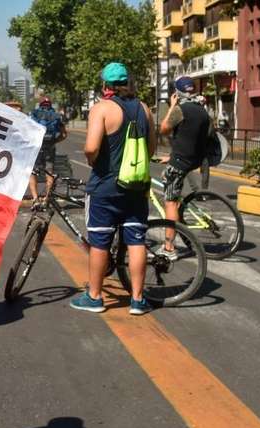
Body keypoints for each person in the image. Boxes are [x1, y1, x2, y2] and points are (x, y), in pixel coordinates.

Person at [70, 62, 156, 315]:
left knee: (100, 242)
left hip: (105, 187)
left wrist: (93, 161)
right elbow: (151, 149)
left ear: (105, 84)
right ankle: (138, 300)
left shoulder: (102, 108)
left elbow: (90, 147)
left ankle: (94, 297)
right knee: (136, 240)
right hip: (137, 185)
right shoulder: (144, 109)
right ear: (128, 83)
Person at [158, 76, 211, 258]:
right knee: (176, 200)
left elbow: (164, 129)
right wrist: (172, 156)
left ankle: (169, 247)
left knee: (170, 203)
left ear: (178, 93)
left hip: (180, 162)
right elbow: (190, 137)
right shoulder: (202, 110)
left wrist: (172, 105)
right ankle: (183, 233)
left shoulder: (182, 109)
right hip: (192, 160)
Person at [28, 97, 67, 201]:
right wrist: (54, 141)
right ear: (50, 104)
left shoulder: (33, 114)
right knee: (49, 172)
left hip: (36, 148)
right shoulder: (56, 116)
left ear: (40, 104)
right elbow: (64, 135)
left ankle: (35, 198)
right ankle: (47, 198)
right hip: (50, 147)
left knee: (33, 173)